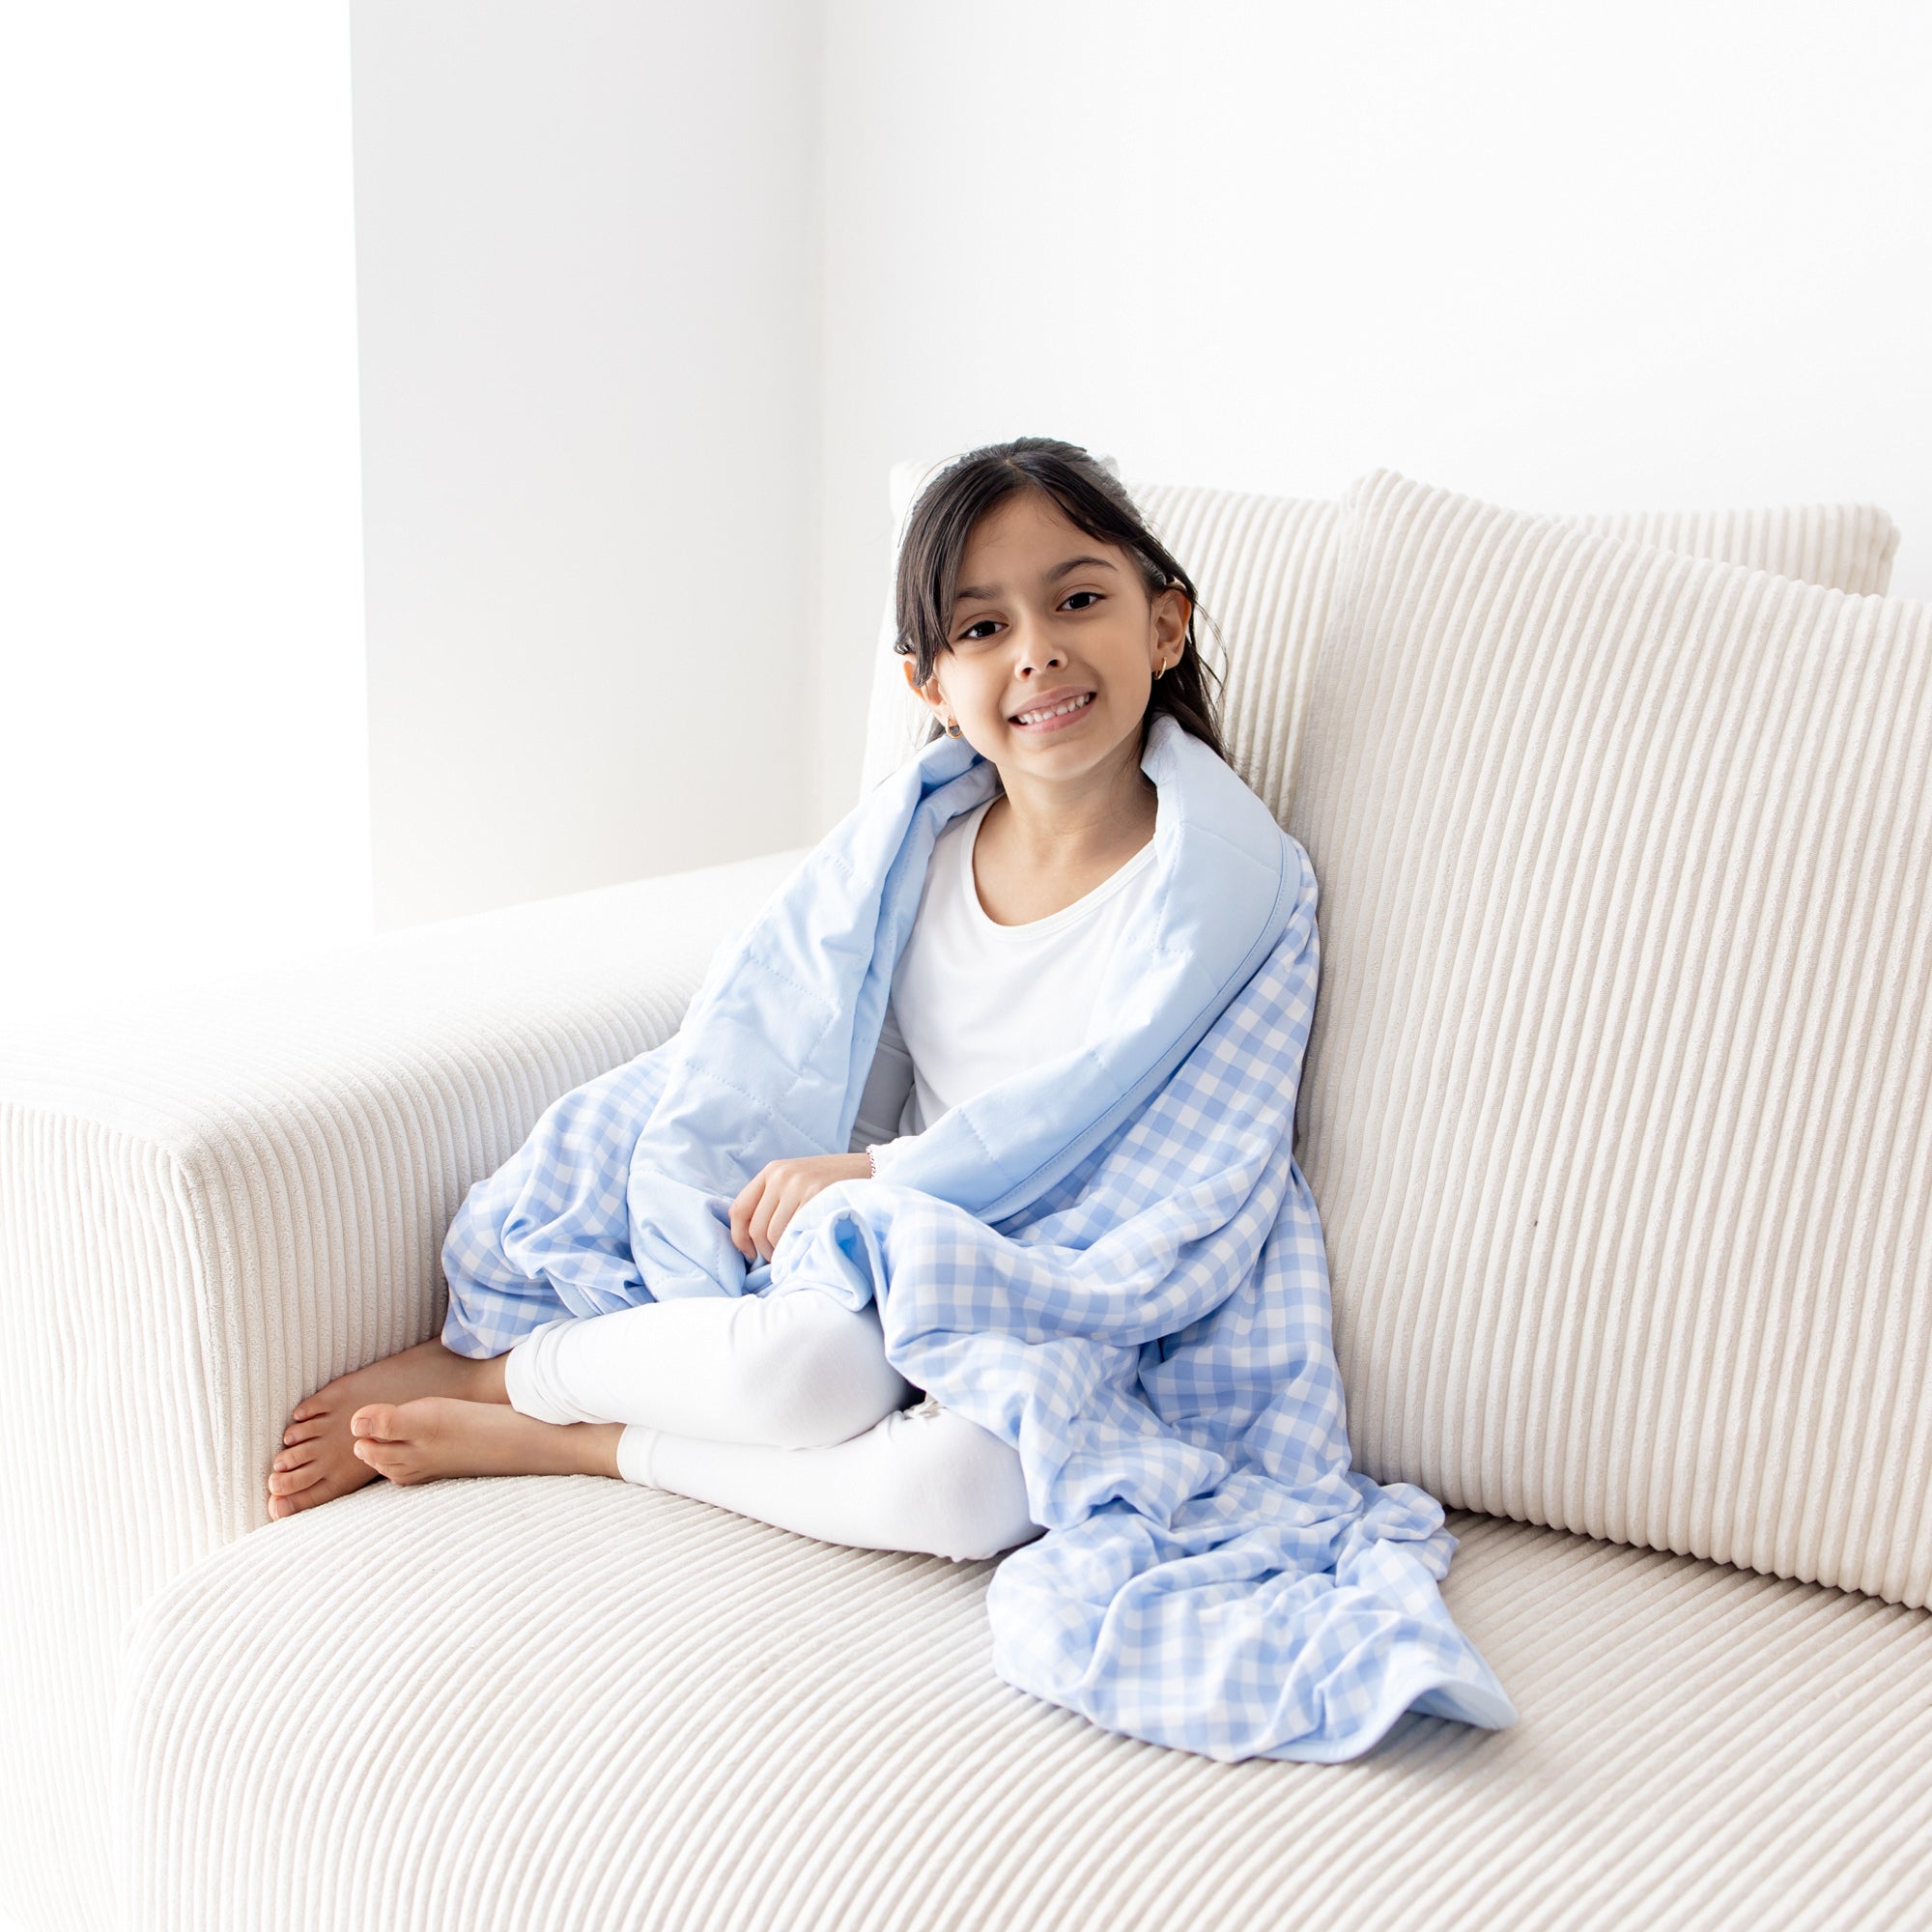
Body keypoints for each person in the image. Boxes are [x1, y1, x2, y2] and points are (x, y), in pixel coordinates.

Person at [266, 436, 1230, 1565]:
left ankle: (570, 1439)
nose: (1037, 652)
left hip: (1061, 1282)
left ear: (1163, 623)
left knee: (964, 1492)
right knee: (802, 1371)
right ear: (926, 683)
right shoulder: (917, 849)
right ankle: (501, 1373)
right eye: (981, 627)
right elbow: (801, 1041)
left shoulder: (1220, 874)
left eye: (1076, 599)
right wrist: (828, 1190)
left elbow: (1110, 1110)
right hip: (896, 1253)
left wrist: (874, 1178)